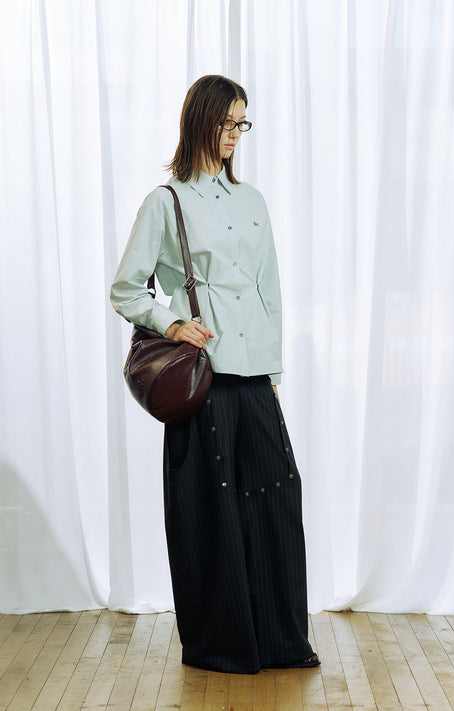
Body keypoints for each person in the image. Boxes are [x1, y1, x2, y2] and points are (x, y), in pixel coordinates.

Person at [110, 75, 319, 674]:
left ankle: (281, 640)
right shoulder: (166, 202)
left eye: (241, 123)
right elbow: (126, 289)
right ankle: (222, 646)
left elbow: (269, 290)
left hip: (255, 376)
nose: (235, 134)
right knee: (212, 511)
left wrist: (273, 369)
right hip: (202, 380)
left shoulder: (252, 202)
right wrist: (173, 324)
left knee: (277, 501)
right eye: (227, 122)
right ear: (200, 120)